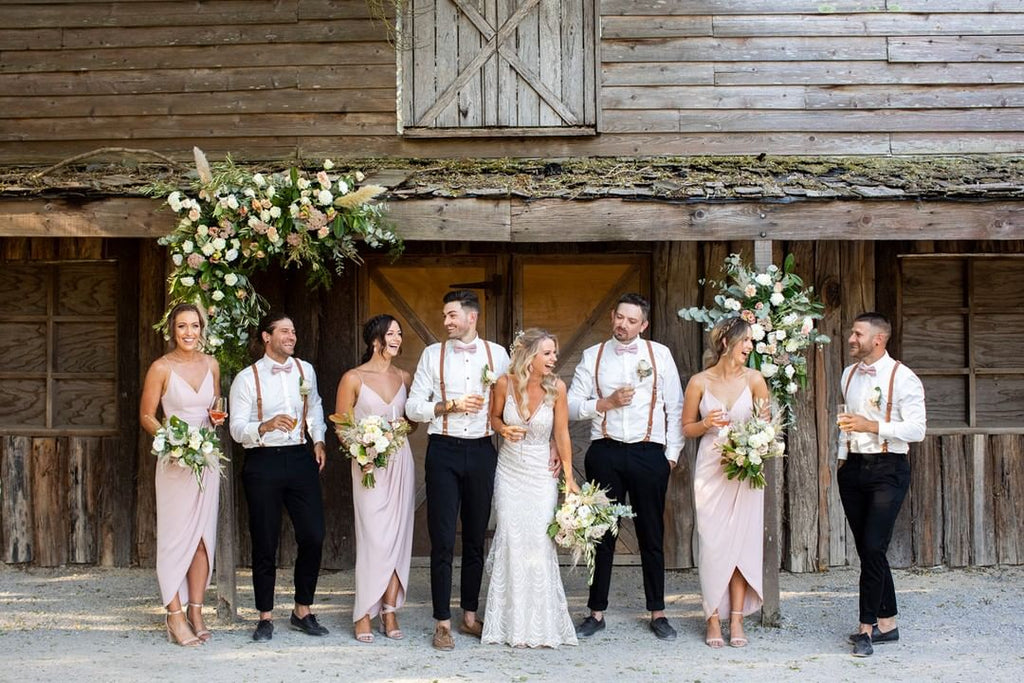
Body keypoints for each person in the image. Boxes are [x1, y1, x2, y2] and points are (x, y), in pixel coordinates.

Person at [567, 292, 684, 641]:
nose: (623, 324)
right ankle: (595, 611)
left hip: (650, 454)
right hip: (605, 452)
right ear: (612, 317)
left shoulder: (659, 355)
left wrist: (672, 454)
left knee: (651, 535)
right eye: (619, 317)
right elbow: (571, 405)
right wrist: (605, 403)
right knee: (601, 534)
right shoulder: (593, 355)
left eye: (632, 321)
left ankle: (658, 612)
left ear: (643, 324)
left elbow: (674, 407)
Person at [406, 289, 510, 651]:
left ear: (472, 317)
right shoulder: (432, 354)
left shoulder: (497, 354)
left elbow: (509, 401)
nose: (446, 321)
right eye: (445, 315)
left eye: (452, 315)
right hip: (444, 452)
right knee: (442, 538)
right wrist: (448, 405)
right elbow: (413, 406)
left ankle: (469, 615)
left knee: (476, 536)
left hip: (482, 450)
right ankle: (442, 622)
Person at [228, 313, 329, 642]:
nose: (292, 336)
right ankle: (265, 616)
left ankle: (302, 609)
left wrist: (318, 439)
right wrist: (266, 426)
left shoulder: (305, 370)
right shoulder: (247, 378)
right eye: (285, 331)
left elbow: (314, 406)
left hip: (301, 458)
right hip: (262, 461)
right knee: (265, 540)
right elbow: (236, 429)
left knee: (313, 535)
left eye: (294, 331)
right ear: (266, 337)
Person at [483, 328, 580, 648]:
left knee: (539, 543)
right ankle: (508, 626)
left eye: (554, 353)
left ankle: (541, 625)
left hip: (541, 473)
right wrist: (503, 429)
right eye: (548, 353)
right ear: (530, 355)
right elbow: (494, 419)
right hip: (509, 472)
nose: (554, 358)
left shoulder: (557, 389)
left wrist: (569, 478)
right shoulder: (503, 383)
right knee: (511, 539)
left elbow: (563, 434)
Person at [837, 312, 926, 658]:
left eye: (857, 334)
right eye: (851, 333)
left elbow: (916, 430)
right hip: (854, 468)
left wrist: (873, 426)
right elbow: (846, 421)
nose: (851, 339)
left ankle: (866, 628)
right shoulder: (848, 374)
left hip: (889, 468)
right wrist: (840, 459)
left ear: (878, 339)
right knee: (868, 550)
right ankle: (888, 623)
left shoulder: (904, 378)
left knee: (874, 547)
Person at [681, 316, 770, 649]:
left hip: (746, 472)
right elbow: (686, 428)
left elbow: (767, 426)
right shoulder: (699, 382)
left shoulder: (757, 380)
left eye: (750, 341)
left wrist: (757, 444)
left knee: (742, 546)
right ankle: (711, 618)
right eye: (745, 340)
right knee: (713, 545)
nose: (749, 346)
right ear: (725, 343)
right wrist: (705, 423)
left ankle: (736, 618)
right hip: (711, 469)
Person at [139, 303, 223, 647]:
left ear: (202, 328)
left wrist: (217, 419)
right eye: (182, 327)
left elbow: (215, 407)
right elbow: (147, 415)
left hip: (206, 457)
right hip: (175, 461)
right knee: (176, 539)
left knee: (203, 539)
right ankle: (174, 616)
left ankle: (197, 610)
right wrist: (172, 441)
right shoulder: (161, 368)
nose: (189, 333)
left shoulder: (212, 364)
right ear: (172, 330)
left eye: (194, 326)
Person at [334, 314, 415, 644]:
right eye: (391, 334)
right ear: (375, 340)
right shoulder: (353, 378)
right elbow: (341, 424)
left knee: (398, 537)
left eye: (399, 333)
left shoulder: (404, 376)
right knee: (374, 538)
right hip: (368, 464)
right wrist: (361, 449)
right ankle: (363, 611)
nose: (396, 338)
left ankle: (390, 610)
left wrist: (399, 430)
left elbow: (413, 422)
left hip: (400, 461)